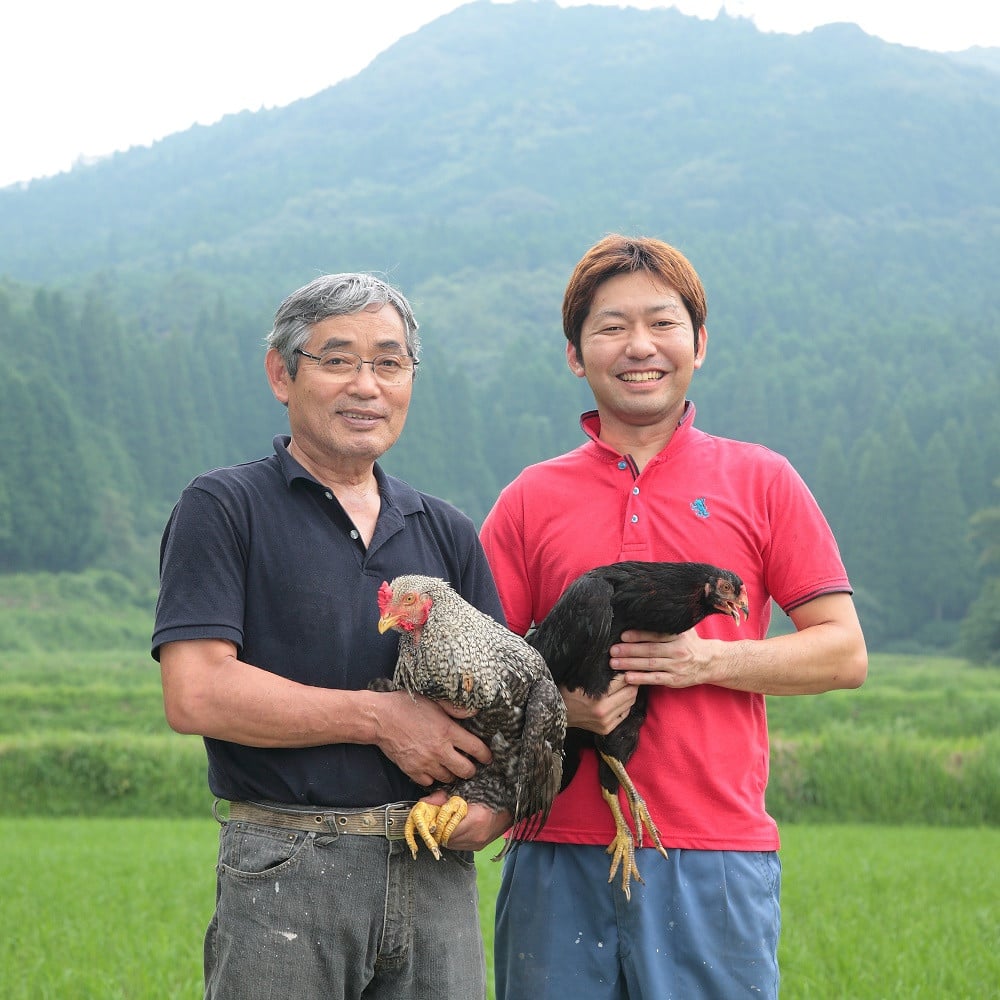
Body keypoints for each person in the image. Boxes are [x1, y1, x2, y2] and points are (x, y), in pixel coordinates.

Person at [479, 234, 869, 999]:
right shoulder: (530, 498)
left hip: (715, 851)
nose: (639, 346)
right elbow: (482, 670)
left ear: (699, 342)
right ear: (574, 354)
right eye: (611, 327)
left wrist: (709, 660)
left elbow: (843, 653)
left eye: (661, 323)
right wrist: (558, 708)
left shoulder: (762, 480)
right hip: (552, 844)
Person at [152, 273, 510, 1000]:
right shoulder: (224, 507)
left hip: (436, 870)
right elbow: (196, 692)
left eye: (389, 362)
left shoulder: (445, 531)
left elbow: (504, 707)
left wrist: (491, 808)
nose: (367, 385)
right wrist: (381, 719)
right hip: (287, 863)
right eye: (338, 359)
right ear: (282, 374)